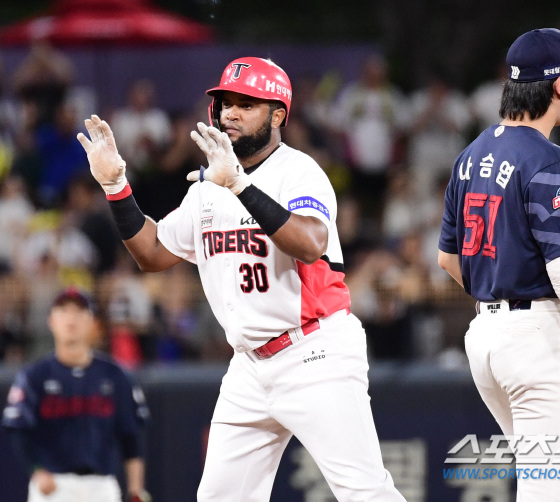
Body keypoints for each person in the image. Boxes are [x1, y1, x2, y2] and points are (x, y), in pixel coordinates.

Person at [77, 57, 406, 501]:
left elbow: (311, 243)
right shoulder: (206, 187)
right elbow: (152, 253)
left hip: (313, 351)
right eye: (225, 102)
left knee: (364, 492)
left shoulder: (298, 171)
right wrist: (116, 186)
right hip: (249, 367)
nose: (229, 112)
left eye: (246, 104)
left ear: (278, 115)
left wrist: (240, 186)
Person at [437, 29, 560, 501]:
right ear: (559, 86)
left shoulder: (471, 153)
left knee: (547, 484)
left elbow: (446, 258)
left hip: (485, 339)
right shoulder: (547, 158)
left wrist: (499, 299)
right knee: (553, 492)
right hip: (535, 342)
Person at [2, 287, 151, 502]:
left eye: (79, 312)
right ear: (50, 321)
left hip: (102, 487)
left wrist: (136, 489)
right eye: (63, 311)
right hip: (54, 486)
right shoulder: (35, 376)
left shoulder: (115, 375)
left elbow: (131, 436)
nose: (71, 319)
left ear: (94, 324)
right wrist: (36, 469)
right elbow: (18, 430)